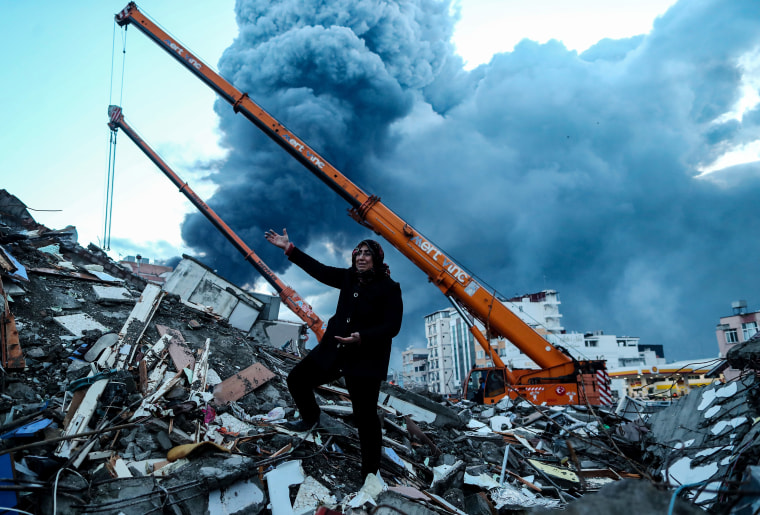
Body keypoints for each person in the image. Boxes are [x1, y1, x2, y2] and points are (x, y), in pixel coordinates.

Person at [264, 228, 403, 480]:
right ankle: (311, 419)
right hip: (334, 350)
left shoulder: (389, 288)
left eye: (367, 254)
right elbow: (320, 271)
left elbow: (392, 326)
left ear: (377, 258)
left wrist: (362, 337)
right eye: (357, 253)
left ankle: (370, 472)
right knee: (297, 379)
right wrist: (289, 249)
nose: (361, 257)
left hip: (364, 359)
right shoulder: (349, 277)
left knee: (366, 418)